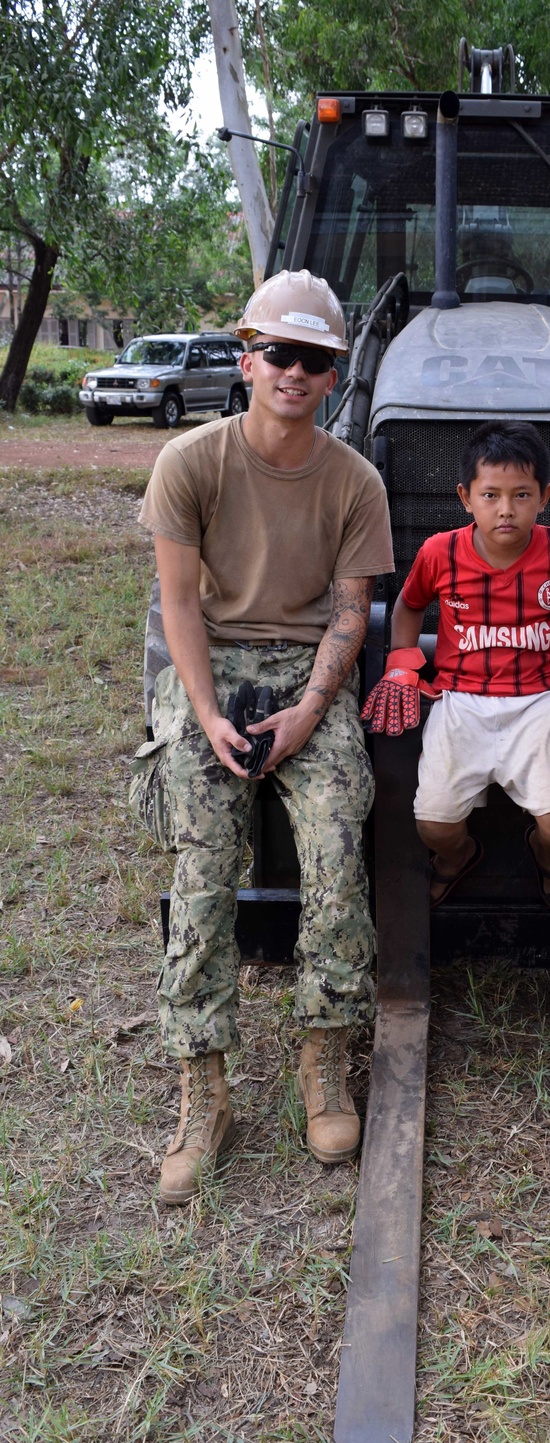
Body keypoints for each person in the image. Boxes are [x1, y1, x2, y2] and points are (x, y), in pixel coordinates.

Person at [129, 270, 394, 1204]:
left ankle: (324, 1059)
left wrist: (309, 713)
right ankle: (204, 1091)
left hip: (303, 677)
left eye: (313, 358)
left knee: (334, 846)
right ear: (249, 358)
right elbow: (178, 611)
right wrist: (205, 718)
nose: (293, 371)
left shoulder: (354, 481)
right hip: (211, 669)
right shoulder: (192, 464)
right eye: (278, 352)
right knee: (203, 863)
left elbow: (351, 617)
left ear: (332, 376)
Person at [361, 420, 550, 909]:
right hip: (460, 699)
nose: (506, 510)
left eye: (521, 494)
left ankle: (546, 858)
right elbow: (408, 606)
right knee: (434, 825)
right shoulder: (439, 552)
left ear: (545, 496)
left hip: (541, 700)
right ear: (465, 497)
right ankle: (457, 858)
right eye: (490, 495)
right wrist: (403, 665)